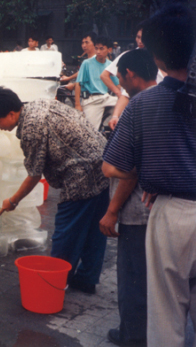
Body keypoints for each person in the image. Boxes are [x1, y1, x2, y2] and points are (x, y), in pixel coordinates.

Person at [103, 4, 196, 347]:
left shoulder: (144, 104)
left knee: (166, 317)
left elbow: (116, 165)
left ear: (155, 55)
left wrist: (158, 170)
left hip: (172, 214)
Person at [0, 87, 108, 294]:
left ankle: (54, 284)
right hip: (102, 163)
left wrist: (12, 201)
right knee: (94, 229)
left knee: (66, 233)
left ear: (11, 114)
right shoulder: (37, 104)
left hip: (81, 173)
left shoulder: (31, 127)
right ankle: (86, 279)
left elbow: (34, 175)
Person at [98, 49, 158, 347]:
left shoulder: (139, 107)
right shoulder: (173, 98)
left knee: (133, 277)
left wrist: (111, 211)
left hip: (137, 211)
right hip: (164, 210)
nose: (120, 86)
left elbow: (127, 170)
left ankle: (132, 335)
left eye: (120, 79)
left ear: (131, 74)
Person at [100, 28, 166, 130]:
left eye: (143, 38)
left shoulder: (162, 62)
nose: (140, 41)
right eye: (138, 37)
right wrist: (115, 115)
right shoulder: (129, 57)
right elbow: (124, 94)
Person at [74, 35, 119, 130]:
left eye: (102, 49)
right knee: (90, 132)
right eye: (96, 48)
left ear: (109, 50)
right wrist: (77, 104)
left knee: (128, 105)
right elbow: (78, 83)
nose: (98, 52)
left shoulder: (110, 65)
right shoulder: (87, 63)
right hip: (92, 100)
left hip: (106, 97)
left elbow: (118, 85)